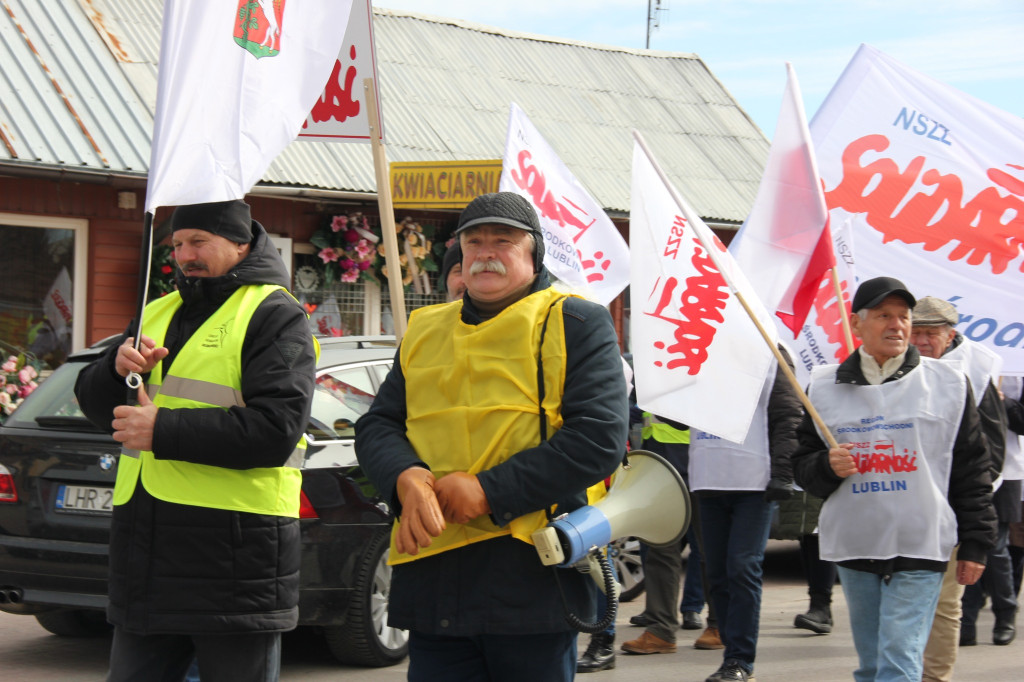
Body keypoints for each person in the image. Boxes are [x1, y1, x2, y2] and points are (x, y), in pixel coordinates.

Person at [354, 192, 628, 681]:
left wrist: (487, 490)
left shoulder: (577, 321)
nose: (485, 252)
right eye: (473, 241)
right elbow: (378, 423)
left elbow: (599, 437)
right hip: (433, 569)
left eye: (504, 241)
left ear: (534, 253)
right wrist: (405, 477)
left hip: (532, 575)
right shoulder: (423, 327)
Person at [73, 199, 317, 682]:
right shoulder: (158, 310)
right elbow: (100, 408)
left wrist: (161, 430)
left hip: (235, 561)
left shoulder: (274, 314)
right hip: (146, 558)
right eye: (179, 244)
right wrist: (113, 369)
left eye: (199, 242)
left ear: (241, 244)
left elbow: (276, 429)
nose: (185, 255)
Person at [793, 277, 997, 682]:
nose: (897, 325)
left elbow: (972, 469)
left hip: (921, 541)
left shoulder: (949, 384)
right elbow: (802, 469)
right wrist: (827, 466)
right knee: (872, 665)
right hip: (857, 541)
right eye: (884, 315)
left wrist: (976, 542)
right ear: (856, 324)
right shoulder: (824, 386)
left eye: (903, 316)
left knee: (899, 659)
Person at [905, 297, 1011, 676]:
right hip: (902, 504)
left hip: (951, 506)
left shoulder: (976, 369)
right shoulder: (894, 365)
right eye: (914, 331)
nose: (920, 341)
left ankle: (934, 675)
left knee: (945, 603)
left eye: (930, 333)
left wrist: (971, 506)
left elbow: (992, 449)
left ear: (950, 335)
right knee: (903, 601)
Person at [687, 345, 801, 682]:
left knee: (742, 567)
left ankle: (740, 659)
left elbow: (788, 413)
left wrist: (783, 472)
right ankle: (729, 653)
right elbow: (673, 414)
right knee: (719, 573)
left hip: (753, 482)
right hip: (708, 478)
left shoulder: (770, 349)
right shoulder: (698, 348)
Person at [621, 413, 714, 656]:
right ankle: (660, 631)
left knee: (711, 551)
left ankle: (719, 624)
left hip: (700, 460)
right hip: (660, 461)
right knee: (660, 549)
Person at [774, 491, 837, 634]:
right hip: (802, 479)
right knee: (806, 532)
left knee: (819, 533)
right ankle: (819, 607)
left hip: (823, 478)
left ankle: (821, 606)